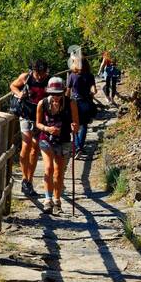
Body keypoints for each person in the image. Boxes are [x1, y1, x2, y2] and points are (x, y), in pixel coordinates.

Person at [36, 76, 79, 215]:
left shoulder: (71, 103)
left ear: (63, 92)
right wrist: (48, 129)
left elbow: (76, 125)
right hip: (46, 139)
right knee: (48, 168)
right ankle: (47, 200)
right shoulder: (42, 104)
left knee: (59, 173)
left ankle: (57, 200)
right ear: (49, 92)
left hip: (64, 140)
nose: (56, 96)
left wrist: (74, 127)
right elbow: (38, 124)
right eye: (53, 93)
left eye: (59, 94)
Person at [10, 60, 51, 196]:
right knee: (26, 146)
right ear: (32, 71)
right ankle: (24, 178)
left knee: (34, 150)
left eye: (42, 73)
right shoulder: (25, 77)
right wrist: (19, 94)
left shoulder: (49, 81)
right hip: (26, 115)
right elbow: (13, 86)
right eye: (37, 73)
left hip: (41, 118)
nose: (39, 76)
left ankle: (29, 181)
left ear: (46, 71)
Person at [67, 55, 98, 156]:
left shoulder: (72, 75)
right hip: (86, 102)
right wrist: (91, 94)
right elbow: (94, 90)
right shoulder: (90, 75)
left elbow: (68, 91)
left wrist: (66, 102)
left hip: (74, 102)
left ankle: (77, 146)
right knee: (84, 125)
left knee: (75, 124)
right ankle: (80, 146)